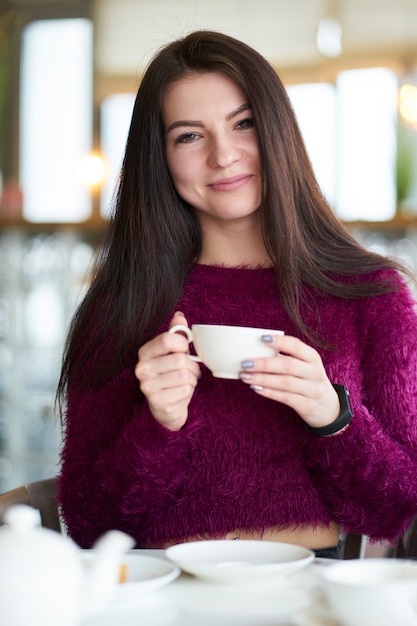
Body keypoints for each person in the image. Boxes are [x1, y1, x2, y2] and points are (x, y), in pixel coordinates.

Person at [57, 30, 417, 558]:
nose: (224, 156)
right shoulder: (124, 304)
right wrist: (159, 424)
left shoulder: (366, 293)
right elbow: (89, 524)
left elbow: (399, 506)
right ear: (160, 157)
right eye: (189, 136)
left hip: (307, 590)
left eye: (243, 123)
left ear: (277, 130)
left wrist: (332, 415)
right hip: (161, 594)